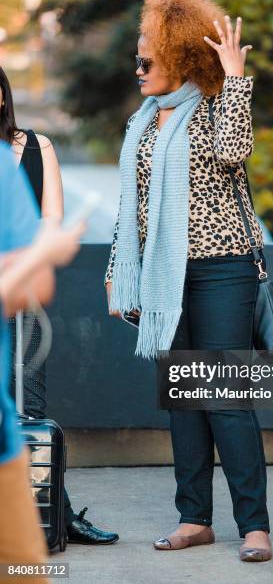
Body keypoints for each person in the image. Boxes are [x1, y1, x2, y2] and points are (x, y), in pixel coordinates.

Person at [105, 0, 272, 562]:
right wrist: (114, 274)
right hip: (161, 278)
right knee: (183, 399)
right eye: (137, 57)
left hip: (223, 271)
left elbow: (235, 150)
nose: (138, 68)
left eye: (147, 59)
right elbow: (134, 209)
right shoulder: (144, 122)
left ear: (178, 57)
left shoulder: (216, 104)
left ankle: (254, 527)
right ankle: (193, 518)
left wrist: (235, 76)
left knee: (224, 396)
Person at [0, 67, 119, 544]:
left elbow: (51, 220)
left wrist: (31, 255)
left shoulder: (35, 147)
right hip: (21, 277)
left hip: (22, 297)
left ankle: (53, 516)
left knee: (30, 410)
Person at [0, 142, 84, 583]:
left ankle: (55, 512)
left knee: (24, 569)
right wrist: (34, 255)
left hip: (6, 448)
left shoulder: (13, 157)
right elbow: (34, 275)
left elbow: (33, 286)